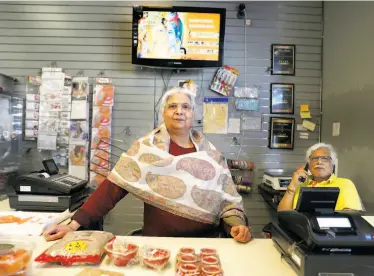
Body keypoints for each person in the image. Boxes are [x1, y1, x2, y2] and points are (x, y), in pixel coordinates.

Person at [44, 87, 252, 243]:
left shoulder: (212, 156)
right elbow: (111, 189)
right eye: (172, 106)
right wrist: (73, 225)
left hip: (206, 244)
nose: (179, 111)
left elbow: (228, 201)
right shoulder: (146, 150)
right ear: (164, 113)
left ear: (193, 115)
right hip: (157, 243)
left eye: (185, 107)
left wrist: (237, 226)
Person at [277, 143, 363, 212]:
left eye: (325, 158)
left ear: (332, 163)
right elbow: (282, 214)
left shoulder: (345, 184)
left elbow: (352, 215)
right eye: (314, 158)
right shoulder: (301, 184)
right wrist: (292, 187)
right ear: (308, 164)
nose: (319, 162)